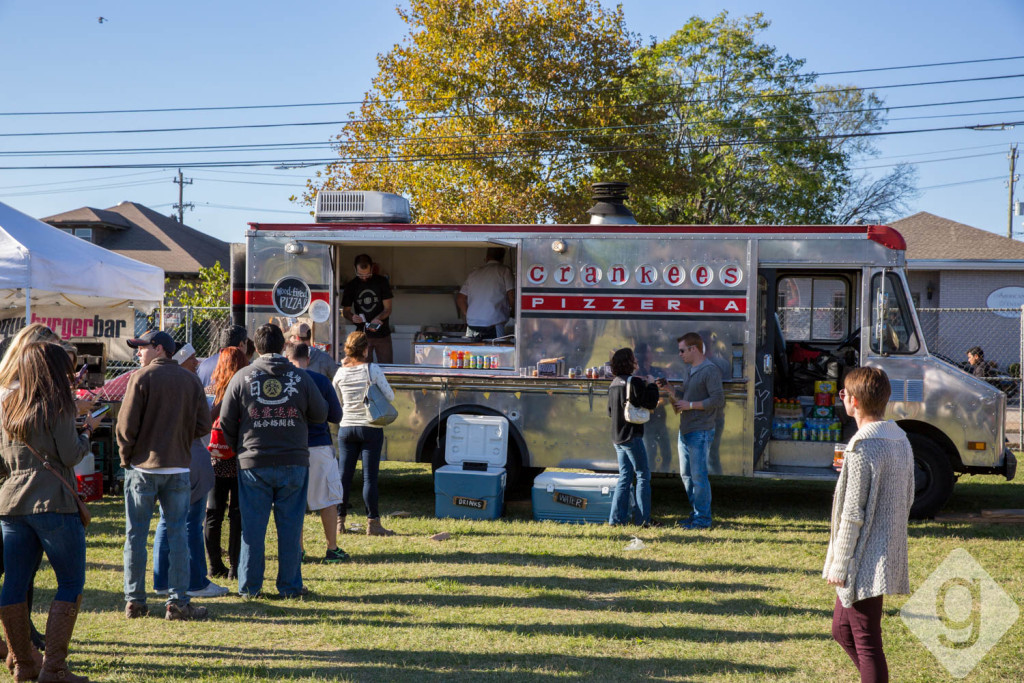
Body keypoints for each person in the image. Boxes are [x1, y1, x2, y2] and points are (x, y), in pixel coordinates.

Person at [0, 342, 103, 682]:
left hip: (12, 504)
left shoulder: (8, 407)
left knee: (14, 584)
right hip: (53, 502)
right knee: (70, 581)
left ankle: (22, 664)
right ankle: (54, 668)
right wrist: (87, 431)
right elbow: (72, 455)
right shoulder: (56, 406)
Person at [219, 324, 328, 598]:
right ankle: (290, 587)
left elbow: (226, 422)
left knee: (252, 529)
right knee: (290, 528)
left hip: (253, 462)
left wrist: (240, 449)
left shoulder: (242, 377)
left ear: (255, 348)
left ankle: (249, 588)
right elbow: (320, 413)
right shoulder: (301, 377)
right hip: (293, 461)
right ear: (283, 346)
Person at [823, 367, 914, 683]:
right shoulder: (899, 437)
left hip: (864, 557)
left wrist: (840, 564)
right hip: (879, 549)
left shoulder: (862, 446)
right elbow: (909, 494)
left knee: (866, 638)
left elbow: (851, 514)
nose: (841, 398)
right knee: (841, 628)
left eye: (844, 393)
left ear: (856, 401)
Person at [117, 330, 212, 621]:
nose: (137, 353)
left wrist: (127, 458)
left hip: (143, 469)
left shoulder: (141, 378)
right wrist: (180, 441)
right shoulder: (190, 380)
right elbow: (203, 425)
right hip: (178, 468)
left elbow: (125, 428)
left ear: (159, 349)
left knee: (136, 536)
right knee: (178, 536)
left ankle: (135, 601)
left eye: (141, 348)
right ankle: (179, 603)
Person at [0, 323, 64, 649]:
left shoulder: (14, 391)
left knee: (20, 571)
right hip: (10, 492)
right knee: (15, 571)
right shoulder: (12, 394)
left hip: (12, 493)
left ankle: (21, 637)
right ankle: (18, 642)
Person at [152, 344, 228, 600]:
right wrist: (219, 405)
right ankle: (196, 582)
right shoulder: (187, 384)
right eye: (193, 359)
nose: (198, 363)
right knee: (193, 523)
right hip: (189, 457)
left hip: (160, 459)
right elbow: (201, 424)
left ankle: (161, 580)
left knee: (165, 521)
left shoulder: (151, 380)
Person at [283, 342, 346, 562]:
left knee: (294, 501)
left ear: (287, 358)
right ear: (307, 358)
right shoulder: (320, 380)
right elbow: (336, 416)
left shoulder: (282, 382)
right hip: (318, 445)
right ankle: (332, 548)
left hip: (290, 447)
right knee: (327, 499)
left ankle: (298, 550)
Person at [333, 331, 396, 537]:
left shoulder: (340, 373)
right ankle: (373, 524)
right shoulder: (372, 369)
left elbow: (337, 401)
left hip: (346, 427)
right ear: (366, 349)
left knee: (344, 477)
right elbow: (390, 396)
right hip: (370, 427)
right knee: (370, 478)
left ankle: (339, 523)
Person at [658, 332, 724, 530]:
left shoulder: (710, 370)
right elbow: (684, 397)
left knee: (698, 476)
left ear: (694, 349)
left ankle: (703, 520)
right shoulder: (690, 369)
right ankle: (696, 514)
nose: (680, 354)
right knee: (686, 475)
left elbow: (718, 400)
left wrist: (691, 405)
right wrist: (670, 389)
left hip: (701, 430)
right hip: (686, 429)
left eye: (682, 350)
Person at [205, 347, 248, 581]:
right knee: (237, 513)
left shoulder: (211, 388)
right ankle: (234, 567)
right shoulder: (243, 386)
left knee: (213, 513)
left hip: (215, 456)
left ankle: (214, 566)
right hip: (239, 455)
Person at [606, 348, 660, 527]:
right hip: (632, 435)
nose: (636, 360)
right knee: (643, 475)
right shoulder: (634, 381)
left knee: (625, 477)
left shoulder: (613, 383)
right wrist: (652, 385)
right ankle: (643, 520)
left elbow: (610, 411)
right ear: (629, 362)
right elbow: (650, 402)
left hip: (617, 437)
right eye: (633, 358)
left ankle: (616, 520)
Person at [341, 254, 394, 364]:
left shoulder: (382, 282)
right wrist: (352, 317)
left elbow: (388, 309)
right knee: (363, 367)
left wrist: (377, 319)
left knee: (387, 367)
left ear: (372, 268)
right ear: (355, 269)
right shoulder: (351, 286)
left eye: (367, 274)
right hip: (362, 336)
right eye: (360, 275)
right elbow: (346, 312)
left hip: (382, 334)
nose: (364, 277)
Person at [456, 247, 515, 340]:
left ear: (486, 258)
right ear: (502, 258)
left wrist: (469, 314)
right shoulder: (504, 271)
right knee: (495, 353)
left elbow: (460, 298)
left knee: (471, 353)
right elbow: (511, 295)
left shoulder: (474, 274)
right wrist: (513, 312)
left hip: (472, 325)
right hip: (494, 324)